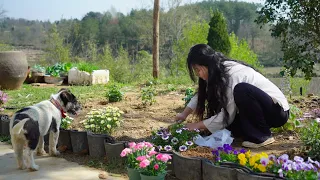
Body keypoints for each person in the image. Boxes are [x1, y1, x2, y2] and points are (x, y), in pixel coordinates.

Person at [175, 44, 289, 148]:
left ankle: (262, 136)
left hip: (277, 112)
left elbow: (227, 114)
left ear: (207, 64)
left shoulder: (231, 75)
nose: (197, 74)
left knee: (242, 90)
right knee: (228, 128)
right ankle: (255, 131)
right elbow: (201, 94)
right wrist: (184, 114)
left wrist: (196, 125)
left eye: (197, 69)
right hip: (262, 112)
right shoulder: (216, 71)